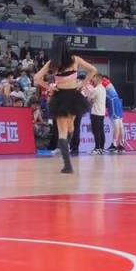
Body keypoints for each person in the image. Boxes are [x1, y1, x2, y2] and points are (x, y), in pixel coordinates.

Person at [34, 37, 98, 174]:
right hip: (74, 96)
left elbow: (37, 78)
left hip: (60, 98)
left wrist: (49, 87)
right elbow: (93, 70)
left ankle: (67, 165)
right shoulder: (75, 59)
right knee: (71, 127)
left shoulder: (52, 63)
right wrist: (83, 84)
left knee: (62, 131)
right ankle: (68, 150)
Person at [104, 78, 126, 152]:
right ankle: (121, 144)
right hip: (117, 102)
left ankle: (114, 145)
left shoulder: (103, 82)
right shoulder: (109, 85)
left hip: (114, 103)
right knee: (120, 125)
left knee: (116, 125)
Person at [88, 74, 108, 154]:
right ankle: (102, 148)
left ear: (98, 79)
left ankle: (97, 148)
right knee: (101, 131)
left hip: (96, 113)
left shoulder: (96, 89)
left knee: (96, 131)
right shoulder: (103, 88)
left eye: (94, 78)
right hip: (101, 113)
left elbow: (89, 100)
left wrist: (88, 94)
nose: (93, 80)